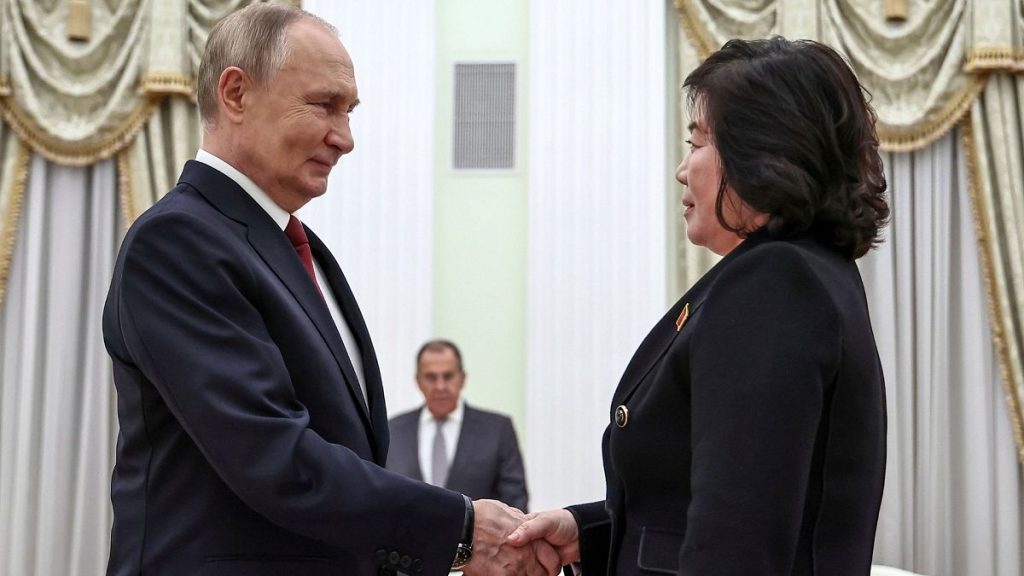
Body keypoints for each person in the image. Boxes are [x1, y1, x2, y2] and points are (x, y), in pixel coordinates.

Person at [102, 4, 557, 575]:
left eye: (350, 112)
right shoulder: (177, 241)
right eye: (324, 105)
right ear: (236, 94)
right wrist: (461, 528)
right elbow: (272, 456)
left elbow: (343, 452)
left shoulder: (300, 246)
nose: (345, 139)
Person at [509, 36, 890, 576]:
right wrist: (588, 531)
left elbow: (739, 545)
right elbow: (723, 502)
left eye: (699, 143)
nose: (682, 170)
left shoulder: (774, 284)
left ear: (765, 152)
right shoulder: (805, 272)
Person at [387, 340, 529, 511]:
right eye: (431, 377)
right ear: (418, 381)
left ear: (462, 378)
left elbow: (515, 504)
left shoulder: (497, 430)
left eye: (448, 376)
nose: (440, 386)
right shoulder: (393, 431)